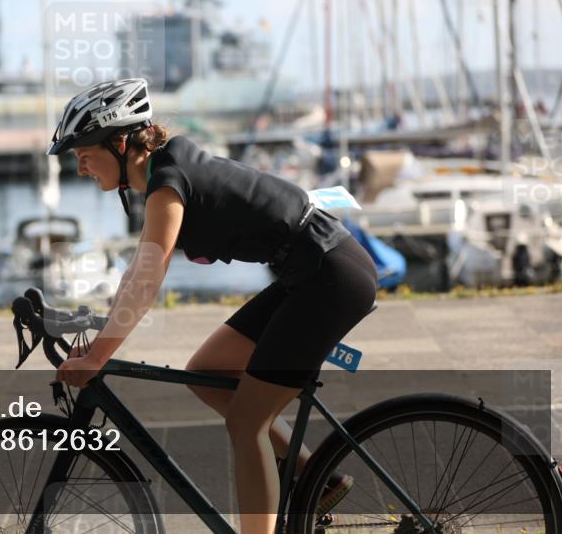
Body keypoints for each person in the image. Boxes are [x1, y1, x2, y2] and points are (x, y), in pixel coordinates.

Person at [50, 78, 378, 534]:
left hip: (329, 276)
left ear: (121, 142)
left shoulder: (168, 181)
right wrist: (96, 330)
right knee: (209, 369)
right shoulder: (166, 174)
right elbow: (137, 272)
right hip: (309, 270)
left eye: (84, 151)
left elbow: (147, 279)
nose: (81, 165)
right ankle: (315, 477)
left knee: (246, 423)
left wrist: (99, 356)